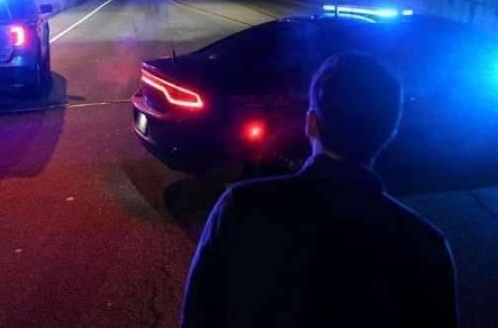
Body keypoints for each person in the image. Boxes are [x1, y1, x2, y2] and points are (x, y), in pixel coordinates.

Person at [180, 53, 459, 328]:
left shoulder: (240, 208)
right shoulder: (425, 246)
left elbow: (198, 317)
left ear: (310, 123)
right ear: (390, 132)